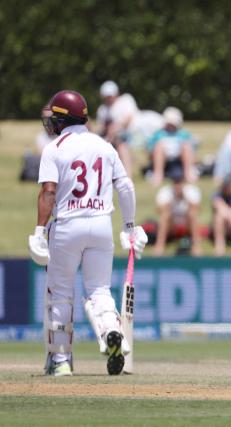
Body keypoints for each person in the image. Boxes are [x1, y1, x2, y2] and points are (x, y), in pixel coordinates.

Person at [28, 90, 148, 376]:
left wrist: (38, 230)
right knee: (99, 290)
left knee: (60, 293)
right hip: (101, 225)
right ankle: (110, 332)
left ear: (61, 119)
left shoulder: (55, 147)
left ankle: (60, 361)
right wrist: (129, 227)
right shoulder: (105, 146)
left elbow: (48, 192)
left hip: (68, 225)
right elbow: (126, 187)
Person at [97, 80, 163, 177]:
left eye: (110, 96)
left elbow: (128, 119)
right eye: (107, 96)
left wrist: (114, 129)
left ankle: (127, 176)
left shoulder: (125, 100)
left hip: (134, 133)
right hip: (115, 137)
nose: (109, 98)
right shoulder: (103, 110)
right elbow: (102, 127)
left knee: (121, 144)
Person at [152, 166, 203, 256]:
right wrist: (172, 201)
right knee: (165, 214)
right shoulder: (165, 192)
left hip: (186, 224)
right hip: (172, 225)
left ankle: (196, 245)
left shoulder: (191, 191)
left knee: (192, 214)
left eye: (179, 181)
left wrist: (185, 197)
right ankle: (160, 245)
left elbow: (197, 210)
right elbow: (158, 210)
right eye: (175, 181)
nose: (177, 184)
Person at [147, 106, 198, 186]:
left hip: (178, 160)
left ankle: (189, 173)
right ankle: (158, 175)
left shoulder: (183, 134)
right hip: (164, 159)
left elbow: (193, 148)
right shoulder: (158, 134)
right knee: (159, 146)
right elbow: (150, 150)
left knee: (186, 146)